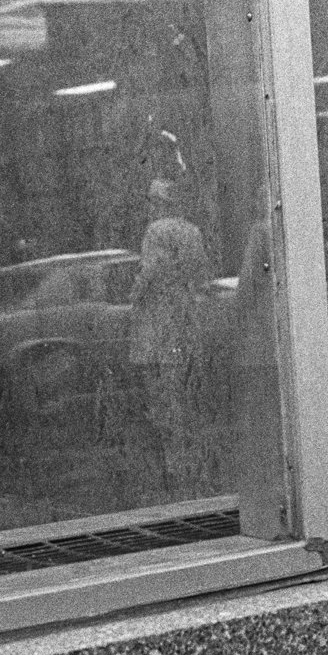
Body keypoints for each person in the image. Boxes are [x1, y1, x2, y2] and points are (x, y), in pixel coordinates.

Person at [127, 177, 211, 494]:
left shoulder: (156, 231)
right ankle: (188, 457)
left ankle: (173, 459)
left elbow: (148, 272)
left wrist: (133, 296)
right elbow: (202, 273)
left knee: (161, 387)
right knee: (182, 386)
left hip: (158, 313)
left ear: (158, 203)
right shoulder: (191, 231)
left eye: (152, 201)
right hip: (183, 311)